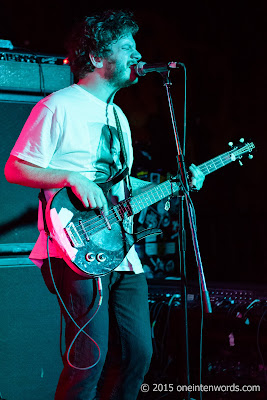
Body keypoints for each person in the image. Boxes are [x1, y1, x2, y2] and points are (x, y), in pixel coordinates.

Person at [4, 10, 205, 400]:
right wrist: (71, 177)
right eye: (127, 47)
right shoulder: (58, 106)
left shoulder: (119, 116)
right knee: (88, 360)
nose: (137, 54)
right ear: (97, 58)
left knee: (138, 353)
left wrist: (176, 185)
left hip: (122, 249)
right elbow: (16, 168)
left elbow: (124, 186)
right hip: (74, 247)